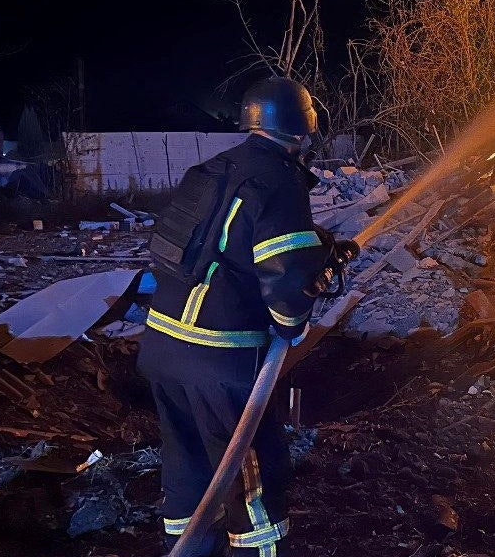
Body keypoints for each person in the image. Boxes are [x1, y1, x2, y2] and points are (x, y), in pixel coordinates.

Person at [139, 77, 347, 556]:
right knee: (253, 473)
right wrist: (292, 324)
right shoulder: (280, 179)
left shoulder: (211, 170)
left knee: (188, 463)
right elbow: (286, 275)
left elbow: (220, 239)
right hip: (220, 361)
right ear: (302, 130)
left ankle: (190, 549)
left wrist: (318, 244)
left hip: (163, 349)